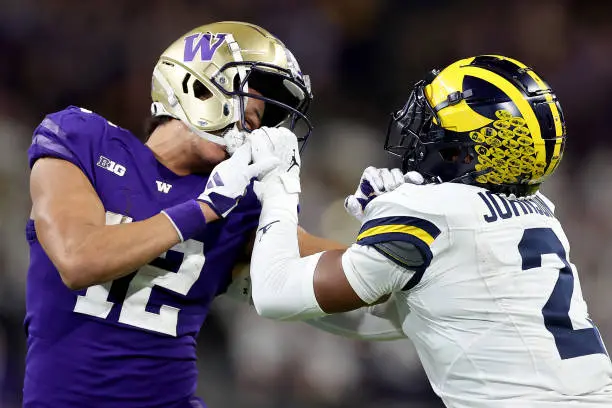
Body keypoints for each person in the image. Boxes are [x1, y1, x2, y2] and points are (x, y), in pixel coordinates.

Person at [245, 55, 612, 407]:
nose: (421, 133)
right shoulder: (540, 213)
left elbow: (274, 293)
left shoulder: (429, 212)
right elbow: (397, 309)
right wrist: (375, 237)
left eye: (435, 126)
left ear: (467, 152)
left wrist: (280, 181)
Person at [24, 21, 344, 408]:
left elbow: (333, 269)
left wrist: (406, 232)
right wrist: (204, 208)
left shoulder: (238, 204)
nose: (254, 125)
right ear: (198, 83)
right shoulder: (84, 138)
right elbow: (78, 259)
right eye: (251, 103)